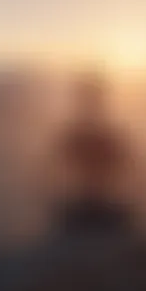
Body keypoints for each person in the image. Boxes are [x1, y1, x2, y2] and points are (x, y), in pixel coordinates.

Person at [52, 72, 136, 235]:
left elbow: (129, 170)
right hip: (84, 211)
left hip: (100, 210)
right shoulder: (77, 136)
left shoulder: (107, 137)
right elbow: (53, 173)